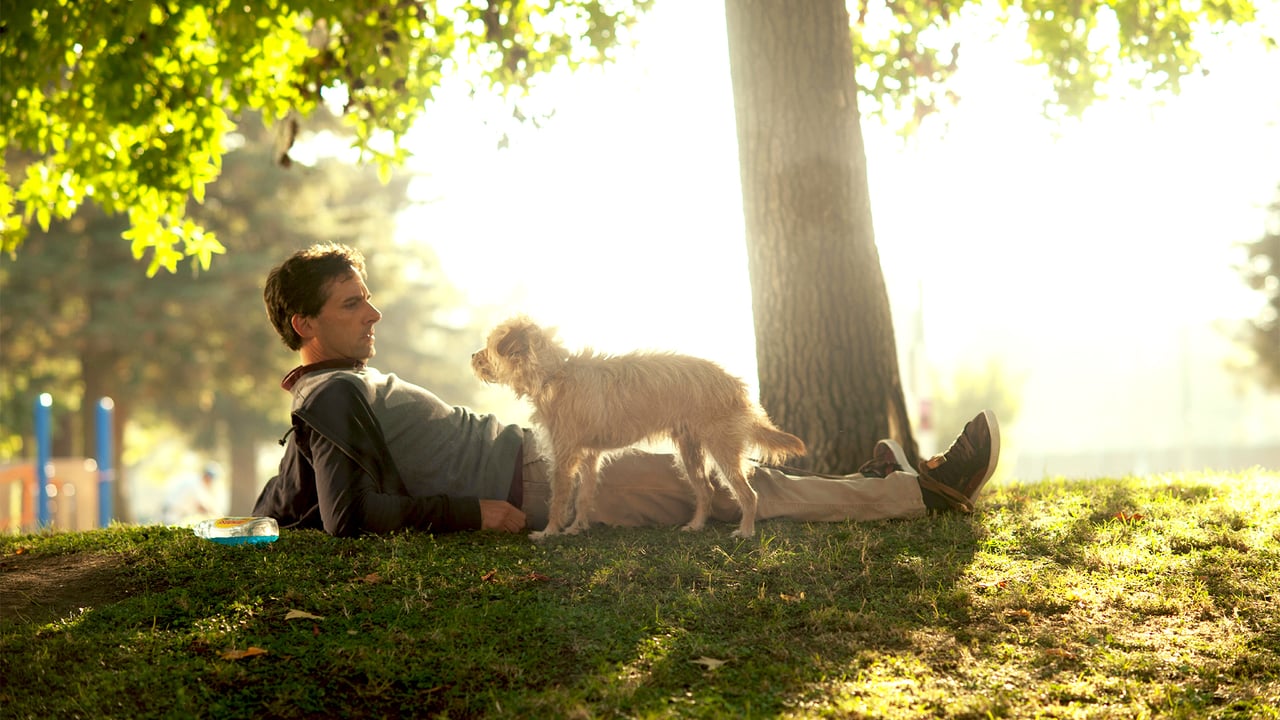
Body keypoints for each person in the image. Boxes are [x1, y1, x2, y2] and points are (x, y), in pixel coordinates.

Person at [252, 243, 1000, 537]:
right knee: (740, 492)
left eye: (367, 296)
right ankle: (922, 494)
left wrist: (254, 521)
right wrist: (471, 512)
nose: (374, 312)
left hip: (543, 456)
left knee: (732, 474)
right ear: (303, 322)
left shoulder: (326, 397)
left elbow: (303, 495)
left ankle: (873, 483)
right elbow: (348, 518)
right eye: (352, 304)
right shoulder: (331, 395)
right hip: (547, 478)